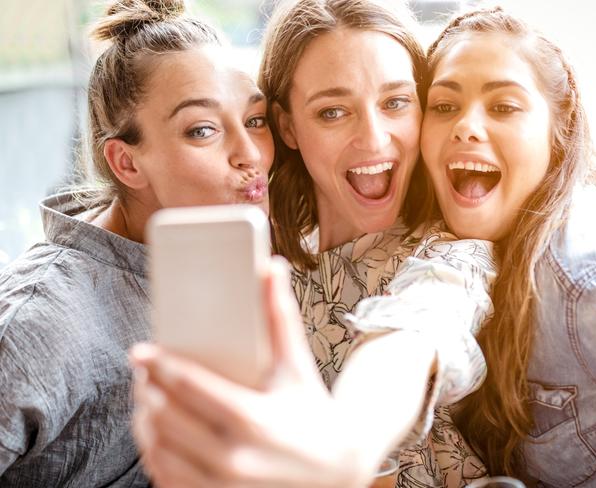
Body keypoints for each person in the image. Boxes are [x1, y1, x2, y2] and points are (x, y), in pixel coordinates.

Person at [132, 1, 496, 487]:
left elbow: (412, 334)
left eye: (395, 103)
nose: (374, 138)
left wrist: (341, 448)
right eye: (332, 112)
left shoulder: (452, 257)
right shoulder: (261, 249)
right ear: (287, 128)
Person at [0, 0, 273, 485]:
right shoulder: (38, 322)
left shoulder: (222, 257)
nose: (250, 154)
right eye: (202, 130)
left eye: (255, 119)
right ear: (126, 163)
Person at [420, 8, 596, 487]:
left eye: (503, 107)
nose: (466, 126)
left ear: (558, 128)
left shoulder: (587, 277)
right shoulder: (457, 252)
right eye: (444, 106)